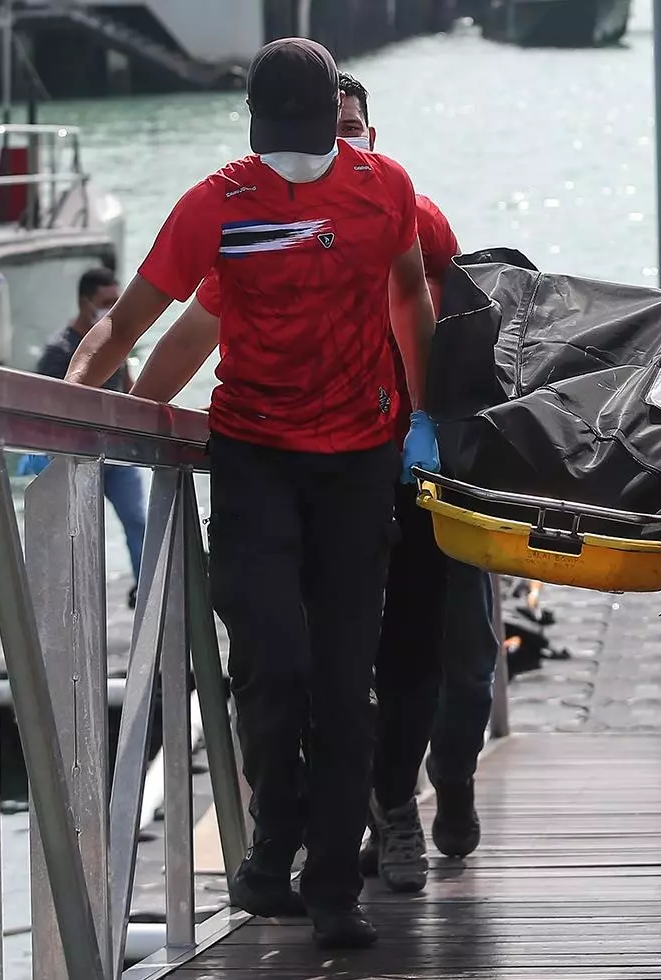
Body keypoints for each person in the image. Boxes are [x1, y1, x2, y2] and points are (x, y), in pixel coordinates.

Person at [61, 38, 439, 950]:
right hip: (255, 457)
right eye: (285, 135)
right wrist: (68, 406)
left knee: (348, 686)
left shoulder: (386, 189)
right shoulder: (217, 203)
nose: (299, 150)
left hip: (357, 461)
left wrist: (428, 419)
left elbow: (411, 297)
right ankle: (276, 843)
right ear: (258, 128)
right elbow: (134, 320)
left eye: (313, 134)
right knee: (273, 657)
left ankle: (333, 884)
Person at [132, 71, 502, 897]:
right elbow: (198, 322)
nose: (331, 139)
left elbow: (449, 309)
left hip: (412, 456)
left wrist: (431, 419)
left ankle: (409, 797)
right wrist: (117, 418)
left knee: (434, 657)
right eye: (321, 122)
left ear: (369, 131)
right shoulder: (252, 219)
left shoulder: (406, 208)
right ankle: (305, 831)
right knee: (296, 659)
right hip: (302, 458)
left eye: (349, 124)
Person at [30, 267, 147, 608]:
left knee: (138, 519)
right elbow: (44, 405)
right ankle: (64, 597)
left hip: (117, 453)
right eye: (106, 301)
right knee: (73, 532)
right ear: (85, 302)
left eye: (118, 300)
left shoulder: (118, 341)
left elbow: (127, 386)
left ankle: (148, 588)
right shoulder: (58, 351)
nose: (114, 307)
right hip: (76, 455)